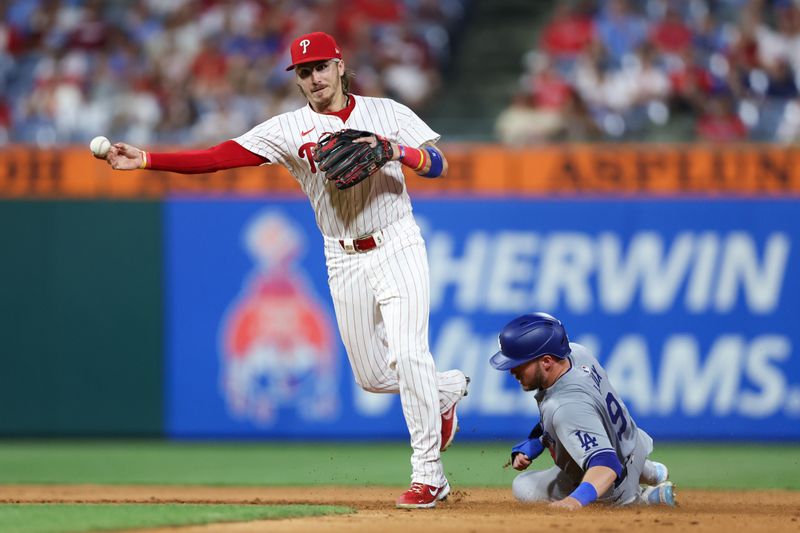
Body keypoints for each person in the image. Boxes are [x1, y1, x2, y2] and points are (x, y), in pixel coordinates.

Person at [100, 31, 470, 509]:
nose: (313, 78)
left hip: (397, 241)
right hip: (342, 254)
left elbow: (439, 165)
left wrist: (397, 151)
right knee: (373, 377)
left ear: (340, 66)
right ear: (297, 80)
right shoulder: (287, 130)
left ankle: (429, 476)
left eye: (320, 66)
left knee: (408, 352)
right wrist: (149, 159)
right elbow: (218, 158)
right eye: (303, 71)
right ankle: (444, 391)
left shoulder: (387, 112)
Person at [489, 312, 675, 509]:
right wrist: (536, 442)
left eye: (519, 363)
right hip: (634, 445)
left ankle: (644, 499)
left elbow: (606, 465)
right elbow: (587, 413)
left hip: (611, 483)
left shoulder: (565, 407)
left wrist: (573, 501)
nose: (512, 370)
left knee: (523, 486)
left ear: (546, 361)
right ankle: (649, 471)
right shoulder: (577, 354)